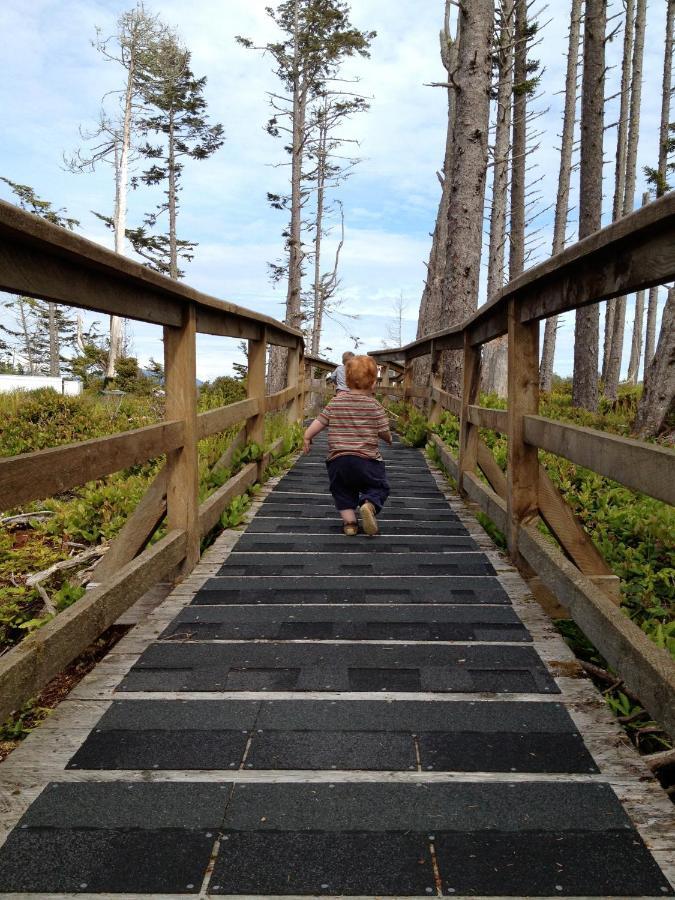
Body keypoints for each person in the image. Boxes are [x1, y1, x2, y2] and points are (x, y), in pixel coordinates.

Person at [304, 354, 392, 536]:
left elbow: (319, 422)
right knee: (378, 486)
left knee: (342, 491)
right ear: (373, 383)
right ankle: (369, 505)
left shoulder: (336, 402)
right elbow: (384, 431)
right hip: (367, 461)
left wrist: (307, 436)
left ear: (347, 381)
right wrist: (388, 438)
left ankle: (350, 524)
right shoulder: (375, 406)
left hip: (338, 460)